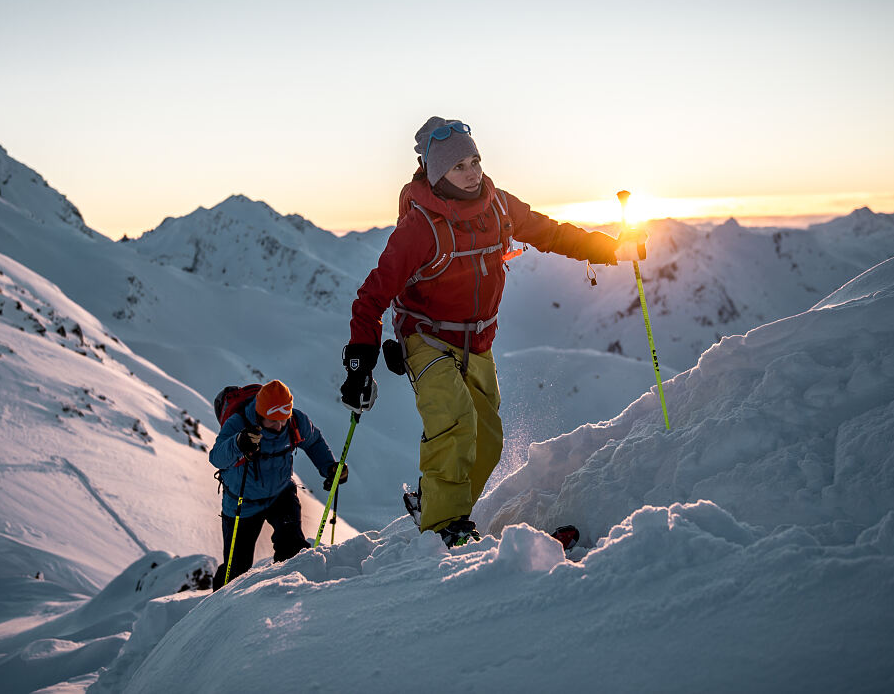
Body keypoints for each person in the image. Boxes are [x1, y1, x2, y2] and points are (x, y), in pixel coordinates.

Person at [339, 116, 646, 547]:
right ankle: (445, 528)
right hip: (425, 338)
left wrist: (609, 248)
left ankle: (440, 504)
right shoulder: (420, 227)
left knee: (488, 441)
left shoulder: (498, 206)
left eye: (475, 160)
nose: (472, 172)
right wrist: (359, 363)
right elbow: (372, 295)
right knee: (454, 422)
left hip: (478, 341)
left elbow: (548, 232)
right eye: (459, 166)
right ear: (436, 172)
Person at [209, 380, 348, 589]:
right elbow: (217, 457)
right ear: (259, 413)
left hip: (281, 495)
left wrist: (329, 467)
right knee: (236, 569)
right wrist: (238, 443)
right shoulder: (238, 424)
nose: (280, 425)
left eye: (283, 419)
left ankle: (289, 594)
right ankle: (216, 608)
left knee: (293, 551)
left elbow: (313, 441)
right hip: (242, 502)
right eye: (273, 420)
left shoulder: (295, 421)